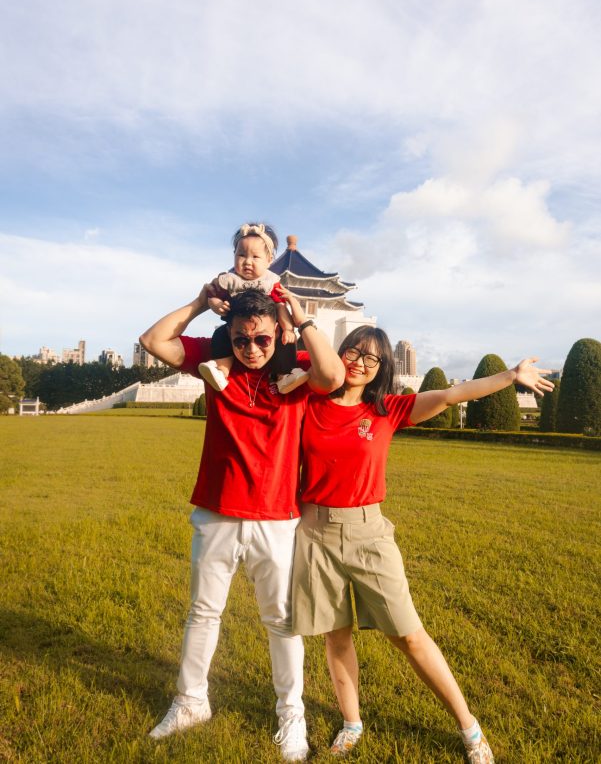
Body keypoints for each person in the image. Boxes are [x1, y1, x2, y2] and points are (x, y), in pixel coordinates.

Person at [292, 325, 554, 762]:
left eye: (371, 358)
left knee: (410, 636)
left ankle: (469, 728)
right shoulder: (309, 401)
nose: (358, 362)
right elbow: (290, 364)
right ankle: (351, 722)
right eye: (352, 352)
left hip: (368, 534)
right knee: (336, 638)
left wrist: (509, 376)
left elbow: (453, 395)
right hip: (313, 533)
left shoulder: (389, 409)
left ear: (382, 370)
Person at [140, 284, 344, 762]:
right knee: (203, 613)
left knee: (281, 622)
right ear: (228, 337)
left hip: (276, 518)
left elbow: (333, 375)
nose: (251, 349)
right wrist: (197, 303)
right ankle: (191, 702)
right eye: (240, 340)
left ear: (278, 334)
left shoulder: (296, 372)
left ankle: (291, 716)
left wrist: (300, 317)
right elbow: (153, 341)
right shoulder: (216, 366)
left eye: (261, 340)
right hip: (216, 511)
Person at [199, 222, 310, 394]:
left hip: (263, 327)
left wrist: (288, 328)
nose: (247, 262)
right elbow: (213, 297)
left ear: (269, 260)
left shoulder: (270, 282)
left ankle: (283, 376)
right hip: (235, 328)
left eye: (255, 257)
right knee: (220, 335)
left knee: (286, 340)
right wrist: (217, 305)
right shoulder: (229, 280)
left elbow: (280, 306)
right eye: (241, 255)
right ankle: (221, 372)